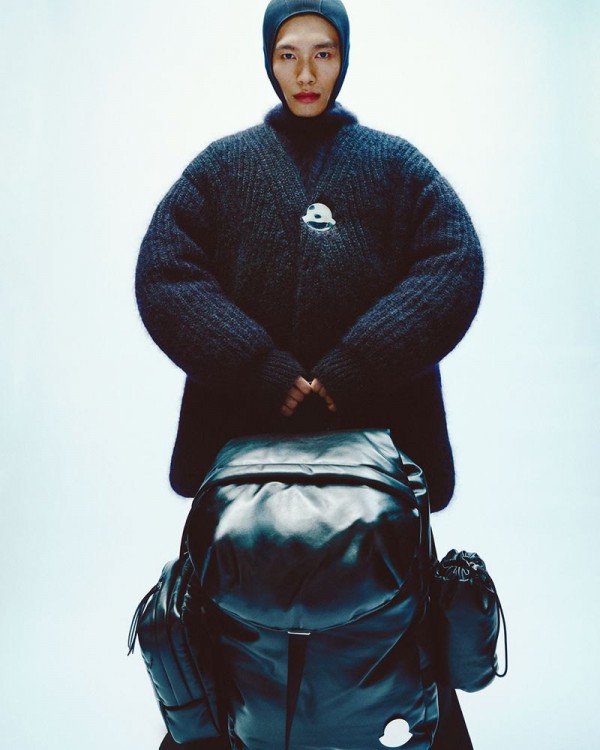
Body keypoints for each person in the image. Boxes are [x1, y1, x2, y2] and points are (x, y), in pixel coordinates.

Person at [136, 1, 484, 748]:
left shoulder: (397, 166)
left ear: (344, 58)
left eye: (323, 53)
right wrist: (257, 366)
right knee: (223, 631)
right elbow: (166, 272)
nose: (305, 72)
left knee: (401, 624)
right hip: (241, 440)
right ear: (268, 59)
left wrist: (358, 364)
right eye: (288, 53)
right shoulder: (221, 168)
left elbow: (453, 261)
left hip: (382, 446)